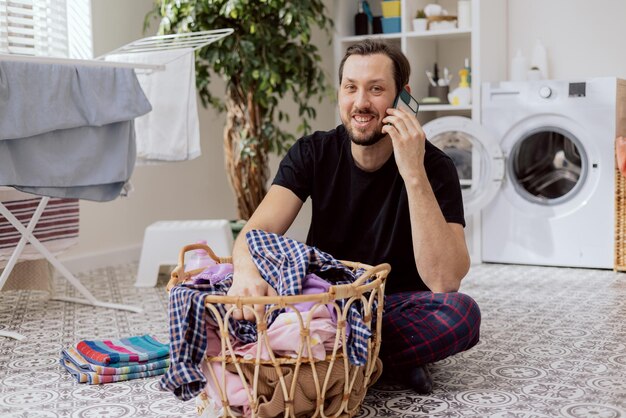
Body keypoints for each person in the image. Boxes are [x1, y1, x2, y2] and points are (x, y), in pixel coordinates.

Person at [227, 39, 481, 394]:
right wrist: (244, 270)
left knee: (461, 316)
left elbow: (445, 281)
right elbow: (256, 233)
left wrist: (412, 173)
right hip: (324, 304)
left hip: (392, 305)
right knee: (232, 297)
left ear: (402, 98)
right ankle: (377, 360)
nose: (360, 103)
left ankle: (326, 359)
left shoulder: (435, 167)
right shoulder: (312, 152)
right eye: (351, 88)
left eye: (376, 89)